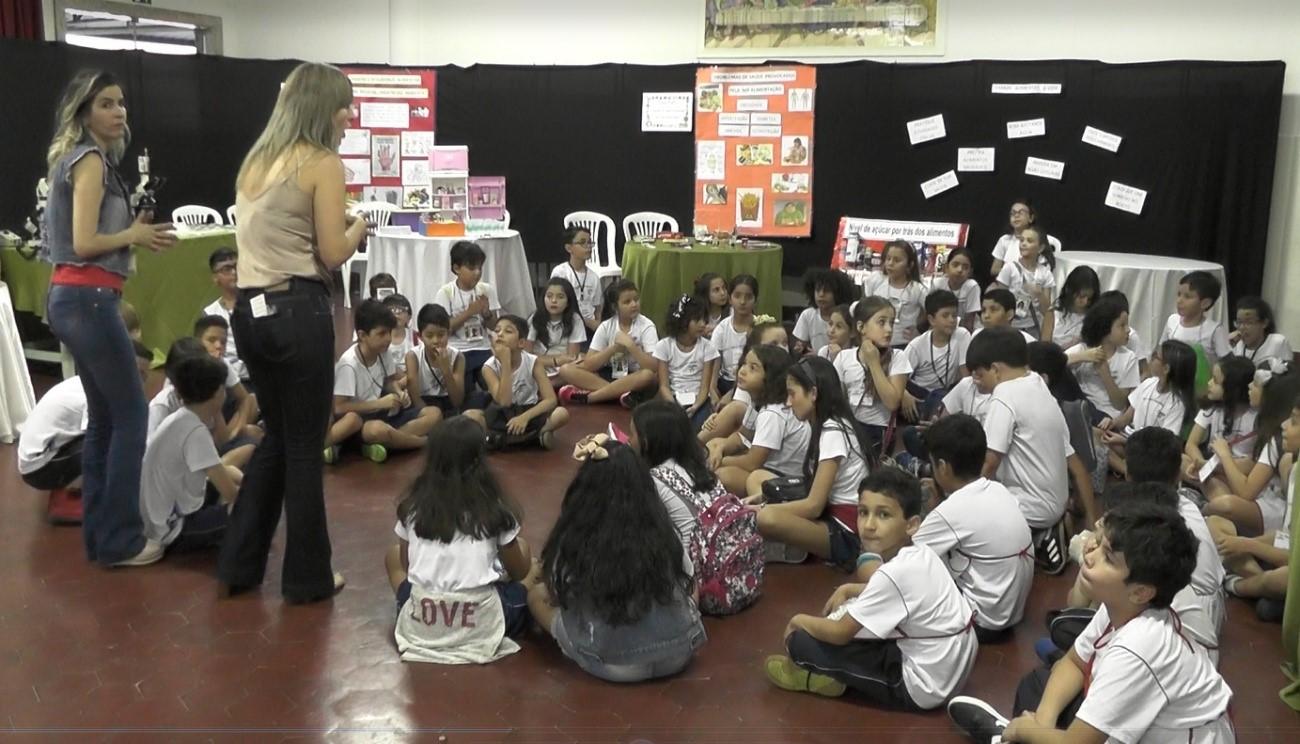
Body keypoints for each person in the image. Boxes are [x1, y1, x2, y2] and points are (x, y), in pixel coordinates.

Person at [218, 61, 369, 603]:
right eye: (344, 106)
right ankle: (308, 577)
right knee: (306, 447)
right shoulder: (323, 163)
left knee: (278, 441)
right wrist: (359, 225)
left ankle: (238, 563)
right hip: (297, 312)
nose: (349, 117)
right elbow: (331, 253)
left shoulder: (257, 161)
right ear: (324, 108)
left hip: (251, 314)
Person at [947, 500, 1234, 744]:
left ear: (1141, 591)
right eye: (1100, 545)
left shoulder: (1139, 646)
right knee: (1037, 687)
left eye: (1108, 557)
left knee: (1035, 717)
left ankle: (1007, 737)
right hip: (1143, 722)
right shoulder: (1122, 605)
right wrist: (1042, 723)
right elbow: (1073, 662)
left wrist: (1024, 730)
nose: (1091, 555)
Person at [42, 69, 177, 567]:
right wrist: (132, 238)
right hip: (89, 299)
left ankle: (102, 536)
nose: (118, 112)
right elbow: (83, 243)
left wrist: (133, 232)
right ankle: (119, 539)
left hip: (77, 298)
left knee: (105, 418)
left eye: (121, 103)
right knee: (130, 414)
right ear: (83, 112)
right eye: (105, 103)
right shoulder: (91, 161)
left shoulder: (79, 161)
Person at [764, 468, 978, 711]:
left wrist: (797, 620)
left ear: (912, 525)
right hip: (949, 667)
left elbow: (839, 633)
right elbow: (894, 593)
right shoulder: (921, 553)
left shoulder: (894, 573)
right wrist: (849, 589)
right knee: (859, 624)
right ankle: (837, 675)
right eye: (863, 513)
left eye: (883, 515)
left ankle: (814, 675)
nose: (868, 525)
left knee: (801, 642)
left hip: (921, 688)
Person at [526, 441, 707, 683]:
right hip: (678, 653)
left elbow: (559, 591)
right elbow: (687, 577)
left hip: (614, 663)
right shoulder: (662, 528)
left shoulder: (577, 535)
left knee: (536, 596)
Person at [385, 416, 533, 663]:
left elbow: (408, 566)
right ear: (480, 461)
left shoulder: (413, 506)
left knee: (392, 557)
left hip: (423, 619)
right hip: (482, 621)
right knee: (527, 563)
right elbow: (518, 571)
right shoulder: (495, 508)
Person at [970, 328, 1097, 574]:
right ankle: (1045, 531)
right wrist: (1091, 521)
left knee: (968, 525)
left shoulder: (1005, 394)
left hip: (1030, 505)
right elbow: (1076, 465)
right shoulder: (1039, 386)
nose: (976, 380)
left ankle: (1038, 541)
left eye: (979, 374)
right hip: (1055, 502)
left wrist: (967, 503)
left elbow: (990, 462)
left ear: (996, 369)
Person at [917, 414, 1034, 641]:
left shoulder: (950, 512)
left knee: (916, 570)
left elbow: (908, 556)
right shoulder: (999, 490)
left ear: (942, 467)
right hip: (1010, 614)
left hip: (982, 623)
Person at [750, 356, 872, 568]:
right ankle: (794, 542)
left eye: (792, 394)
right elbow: (811, 486)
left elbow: (814, 506)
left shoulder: (833, 431)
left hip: (844, 530)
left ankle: (796, 546)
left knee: (766, 517)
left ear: (813, 393)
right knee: (758, 478)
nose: (788, 402)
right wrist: (765, 496)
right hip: (827, 512)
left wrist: (762, 507)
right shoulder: (825, 424)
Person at [19, 339, 152, 525]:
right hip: (39, 469)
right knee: (111, 443)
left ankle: (78, 488)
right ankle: (85, 498)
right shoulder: (97, 394)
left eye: (145, 376)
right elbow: (99, 441)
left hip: (46, 453)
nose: (141, 382)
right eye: (137, 373)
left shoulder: (95, 380)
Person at [1125, 428, 1226, 661]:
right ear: (1176, 476)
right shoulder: (1185, 504)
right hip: (1209, 612)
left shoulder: (1143, 521)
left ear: (1128, 475)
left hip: (1184, 623)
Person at [139, 354, 243, 555]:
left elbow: (221, 470)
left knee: (234, 488)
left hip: (159, 519)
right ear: (218, 392)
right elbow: (231, 492)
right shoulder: (195, 431)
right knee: (249, 510)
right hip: (173, 529)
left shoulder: (181, 418)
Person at [326, 299, 440, 463]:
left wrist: (398, 391)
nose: (388, 339)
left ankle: (392, 440)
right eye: (381, 333)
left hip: (386, 415)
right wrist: (380, 403)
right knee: (377, 430)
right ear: (362, 335)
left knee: (434, 414)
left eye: (389, 332)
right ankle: (423, 443)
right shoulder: (348, 364)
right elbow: (339, 407)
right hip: (365, 421)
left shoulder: (382, 351)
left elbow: (389, 380)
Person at [1217, 394, 1297, 623]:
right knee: (1218, 527)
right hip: (1282, 550)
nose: (1284, 424)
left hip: (1290, 564)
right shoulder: (1294, 471)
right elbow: (1287, 537)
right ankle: (1265, 588)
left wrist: (1247, 544)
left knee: (1282, 578)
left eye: (1294, 420)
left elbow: (1294, 558)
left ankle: (1241, 586)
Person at [1202, 368, 1299, 537]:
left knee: (1226, 505)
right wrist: (1211, 466)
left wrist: (1224, 455)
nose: (1249, 386)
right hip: (1265, 496)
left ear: (1271, 396)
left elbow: (1246, 492)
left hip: (1277, 508)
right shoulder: (1265, 426)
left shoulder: (1278, 436)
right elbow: (1251, 466)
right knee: (1208, 477)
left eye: (1255, 384)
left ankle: (1203, 511)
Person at [709, 345, 809, 497]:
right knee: (713, 445)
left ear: (770, 377)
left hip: (783, 478)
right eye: (744, 364)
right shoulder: (758, 400)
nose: (742, 371)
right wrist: (720, 447)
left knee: (722, 475)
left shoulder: (772, 412)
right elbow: (742, 436)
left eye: (753, 368)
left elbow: (752, 463)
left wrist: (721, 459)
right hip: (765, 469)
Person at [466, 315, 568, 450]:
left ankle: (504, 441)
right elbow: (504, 402)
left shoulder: (533, 362)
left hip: (528, 411)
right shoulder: (488, 367)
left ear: (521, 343)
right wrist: (505, 363)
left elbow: (550, 400)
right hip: (501, 415)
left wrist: (524, 417)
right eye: (497, 331)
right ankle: (533, 438)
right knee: (470, 416)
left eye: (508, 331)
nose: (500, 334)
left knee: (561, 413)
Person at [1098, 340, 1197, 476]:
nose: (1151, 357)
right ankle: (1128, 470)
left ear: (1166, 369)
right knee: (1097, 435)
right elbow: (1126, 417)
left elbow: (1164, 445)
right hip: (1132, 440)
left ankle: (1129, 472)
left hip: (1151, 452)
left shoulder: (1176, 403)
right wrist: (1112, 423)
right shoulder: (1148, 383)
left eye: (1156, 356)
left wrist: (1126, 442)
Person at [557, 279, 659, 408]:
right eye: (627, 302)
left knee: (648, 376)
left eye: (636, 299)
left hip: (634, 378)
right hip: (608, 375)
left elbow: (653, 366)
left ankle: (590, 398)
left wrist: (632, 347)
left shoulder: (647, 326)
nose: (634, 304)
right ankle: (619, 395)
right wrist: (613, 349)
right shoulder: (606, 326)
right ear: (615, 307)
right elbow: (589, 365)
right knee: (566, 369)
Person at [835, 297, 912, 453]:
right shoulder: (844, 357)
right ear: (861, 327)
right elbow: (838, 400)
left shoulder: (898, 357)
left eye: (891, 323)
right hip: (850, 428)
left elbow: (892, 402)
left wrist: (874, 363)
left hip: (880, 432)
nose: (889, 329)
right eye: (881, 322)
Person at [700, 319, 787, 444]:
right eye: (773, 345)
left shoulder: (792, 378)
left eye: (785, 343)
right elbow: (741, 431)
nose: (782, 349)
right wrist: (719, 418)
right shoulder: (751, 377)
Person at [434, 240, 501, 388]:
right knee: (465, 386)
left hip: (483, 347)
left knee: (492, 383)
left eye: (479, 268)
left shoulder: (486, 290)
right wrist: (469, 312)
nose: (477, 273)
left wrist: (486, 314)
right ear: (457, 268)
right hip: (458, 350)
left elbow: (495, 326)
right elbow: (443, 329)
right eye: (471, 268)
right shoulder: (445, 292)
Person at [1064, 294, 1140, 421]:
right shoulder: (1083, 349)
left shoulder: (1128, 358)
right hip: (1082, 408)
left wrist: (1105, 374)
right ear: (1105, 328)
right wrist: (1081, 357)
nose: (1128, 330)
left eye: (1127, 324)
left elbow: (1120, 404)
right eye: (1122, 325)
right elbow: (1052, 363)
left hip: (1108, 416)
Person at [1185, 354, 1258, 479]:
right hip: (1211, 466)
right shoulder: (1211, 407)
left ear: (1232, 388)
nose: (1209, 383)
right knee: (1182, 460)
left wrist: (1213, 468)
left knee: (1223, 485)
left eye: (1215, 380)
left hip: (1237, 472)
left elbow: (1251, 465)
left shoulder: (1255, 417)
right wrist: (1201, 464)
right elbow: (1191, 444)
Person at [653, 295, 720, 431]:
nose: (703, 324)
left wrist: (695, 406)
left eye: (704, 319)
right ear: (683, 321)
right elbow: (664, 386)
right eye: (697, 320)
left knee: (699, 427)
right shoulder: (664, 346)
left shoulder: (707, 347)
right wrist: (674, 405)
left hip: (698, 399)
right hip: (672, 398)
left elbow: (704, 387)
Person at [902, 290, 971, 421]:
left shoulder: (962, 335)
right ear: (931, 319)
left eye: (954, 315)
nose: (952, 320)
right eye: (945, 316)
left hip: (945, 393)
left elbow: (965, 376)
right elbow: (897, 377)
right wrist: (903, 395)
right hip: (919, 393)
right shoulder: (916, 345)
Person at [992, 225, 1056, 342]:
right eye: (1022, 240)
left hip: (1034, 328)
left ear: (1040, 248)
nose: (1024, 243)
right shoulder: (1009, 268)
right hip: (1010, 326)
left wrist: (1039, 294)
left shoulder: (1045, 273)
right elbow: (1000, 300)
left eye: (1029, 241)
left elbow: (1046, 310)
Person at [859, 240, 927, 347]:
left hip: (903, 344)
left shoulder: (917, 289)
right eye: (888, 258)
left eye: (897, 260)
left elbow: (932, 311)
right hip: (874, 342)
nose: (890, 263)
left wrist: (920, 329)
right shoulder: (876, 280)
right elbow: (863, 307)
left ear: (910, 264)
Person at [406, 304, 466, 416]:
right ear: (420, 336)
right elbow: (415, 398)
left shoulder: (458, 357)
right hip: (423, 408)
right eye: (429, 336)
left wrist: (446, 370)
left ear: (448, 333)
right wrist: (431, 417)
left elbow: (457, 401)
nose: (436, 340)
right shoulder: (413, 356)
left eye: (441, 335)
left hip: (448, 404)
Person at [1159, 270, 1231, 363]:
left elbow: (1227, 362)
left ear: (1205, 303)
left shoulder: (1214, 330)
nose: (1179, 300)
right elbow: (1161, 350)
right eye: (1179, 294)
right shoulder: (1172, 320)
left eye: (1187, 296)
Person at [202, 247, 248, 385]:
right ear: (215, 278)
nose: (234, 272)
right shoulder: (210, 313)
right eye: (227, 269)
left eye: (237, 266)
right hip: (229, 382)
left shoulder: (259, 302)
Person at [527, 277, 586, 385]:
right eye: (549, 296)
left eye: (560, 297)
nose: (553, 301)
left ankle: (547, 387)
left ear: (568, 301)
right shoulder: (535, 318)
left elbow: (571, 357)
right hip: (537, 368)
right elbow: (526, 356)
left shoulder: (575, 319)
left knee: (579, 365)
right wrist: (555, 360)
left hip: (563, 370)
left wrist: (559, 362)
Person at [709, 274, 758, 398]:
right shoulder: (722, 328)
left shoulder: (760, 328)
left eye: (748, 297)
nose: (742, 302)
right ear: (730, 299)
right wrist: (713, 390)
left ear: (755, 300)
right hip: (726, 382)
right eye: (737, 296)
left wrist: (732, 394)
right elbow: (715, 364)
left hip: (751, 383)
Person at [988, 198, 1061, 278]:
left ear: (1031, 218)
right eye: (1013, 213)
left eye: (1021, 212)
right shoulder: (1004, 240)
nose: (1016, 215)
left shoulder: (1039, 239)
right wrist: (1011, 271)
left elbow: (1045, 270)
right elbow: (994, 270)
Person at [549, 227, 602, 333]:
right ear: (569, 248)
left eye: (590, 243)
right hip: (566, 325)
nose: (588, 247)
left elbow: (598, 307)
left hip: (589, 328)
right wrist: (585, 321)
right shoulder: (560, 272)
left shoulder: (594, 277)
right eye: (582, 243)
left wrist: (598, 325)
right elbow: (557, 304)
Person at [793, 268, 856, 356]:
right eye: (818, 290)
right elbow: (800, 344)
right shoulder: (808, 315)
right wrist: (800, 347)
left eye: (827, 291)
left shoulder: (848, 315)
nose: (821, 294)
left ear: (838, 293)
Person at [1229, 295, 1292, 368]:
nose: (1242, 327)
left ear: (1264, 323)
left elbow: (1289, 373)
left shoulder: (1278, 342)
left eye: (1249, 322)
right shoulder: (1237, 345)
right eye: (1239, 322)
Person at [924, 247, 980, 330]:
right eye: (955, 265)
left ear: (970, 272)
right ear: (946, 267)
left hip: (964, 329)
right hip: (941, 327)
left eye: (965, 267)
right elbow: (931, 314)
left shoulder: (972, 286)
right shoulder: (937, 284)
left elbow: (969, 321)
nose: (960, 270)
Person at [1051, 265, 1100, 351]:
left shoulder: (1093, 317)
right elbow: (1044, 345)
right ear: (1069, 290)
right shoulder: (1054, 312)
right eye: (1081, 296)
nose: (1085, 302)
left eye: (1089, 298)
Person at [694, 272, 729, 338]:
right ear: (705, 294)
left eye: (724, 288)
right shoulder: (697, 315)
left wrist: (716, 329)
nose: (722, 293)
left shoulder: (732, 311)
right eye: (716, 290)